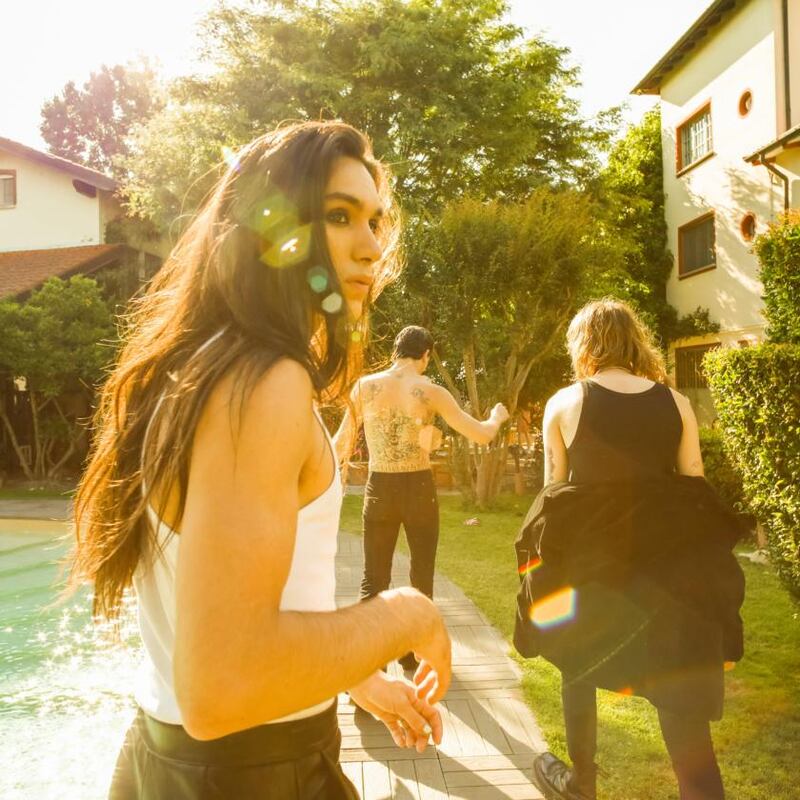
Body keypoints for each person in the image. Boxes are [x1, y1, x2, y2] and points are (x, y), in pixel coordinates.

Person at [69, 122, 452, 800]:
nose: (372, 246)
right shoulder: (264, 383)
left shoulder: (197, 370)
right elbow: (224, 683)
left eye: (375, 220)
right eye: (340, 216)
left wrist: (358, 676)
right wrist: (407, 612)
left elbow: (245, 613)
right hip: (255, 773)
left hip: (173, 760)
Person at [514, 299, 745, 800]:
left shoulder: (564, 402)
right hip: (669, 570)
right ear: (633, 341)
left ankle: (581, 781)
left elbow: (556, 493)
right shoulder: (675, 403)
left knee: (576, 658)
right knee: (679, 682)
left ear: (584, 346)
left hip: (594, 566)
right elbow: (695, 490)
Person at [335, 325, 509, 670]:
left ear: (396, 352)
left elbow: (340, 443)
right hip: (418, 490)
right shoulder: (430, 391)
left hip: (380, 487)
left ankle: (368, 668)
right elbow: (481, 435)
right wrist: (496, 417)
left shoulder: (364, 387)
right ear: (425, 355)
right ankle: (415, 654)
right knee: (421, 575)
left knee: (374, 578)